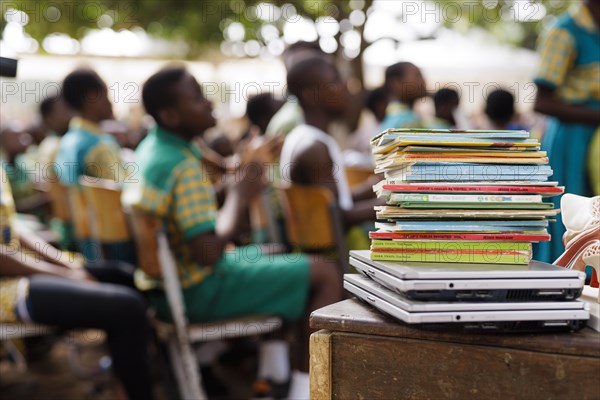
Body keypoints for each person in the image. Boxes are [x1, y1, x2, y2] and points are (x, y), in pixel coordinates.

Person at [124, 66, 342, 399]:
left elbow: (190, 213)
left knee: (279, 256)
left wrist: (241, 179)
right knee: (326, 273)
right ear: (169, 115)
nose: (208, 103)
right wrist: (241, 196)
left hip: (166, 289)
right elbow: (208, 252)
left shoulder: (156, 150)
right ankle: (304, 392)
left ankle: (272, 376)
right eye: (196, 98)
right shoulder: (181, 165)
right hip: (198, 289)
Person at [0, 166, 152, 400]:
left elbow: (12, 228)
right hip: (5, 287)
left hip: (16, 270)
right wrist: (63, 274)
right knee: (127, 307)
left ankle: (126, 382)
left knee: (126, 277)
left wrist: (65, 263)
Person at [279, 57, 382, 244]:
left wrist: (376, 186)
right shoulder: (314, 148)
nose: (346, 85)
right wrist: (399, 202)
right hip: (337, 255)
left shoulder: (305, 137)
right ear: (311, 95)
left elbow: (336, 202)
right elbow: (339, 218)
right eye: (335, 80)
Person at [532, 0, 600, 263]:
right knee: (575, 218)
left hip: (594, 138)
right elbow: (541, 101)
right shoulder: (564, 31)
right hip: (572, 140)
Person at [55, 68, 125, 186]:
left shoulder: (66, 141)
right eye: (105, 95)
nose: (110, 103)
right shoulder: (100, 146)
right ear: (92, 97)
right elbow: (121, 190)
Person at [380, 62, 427, 131]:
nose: (423, 81)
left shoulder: (393, 118)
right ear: (396, 83)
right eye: (417, 76)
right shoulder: (406, 123)